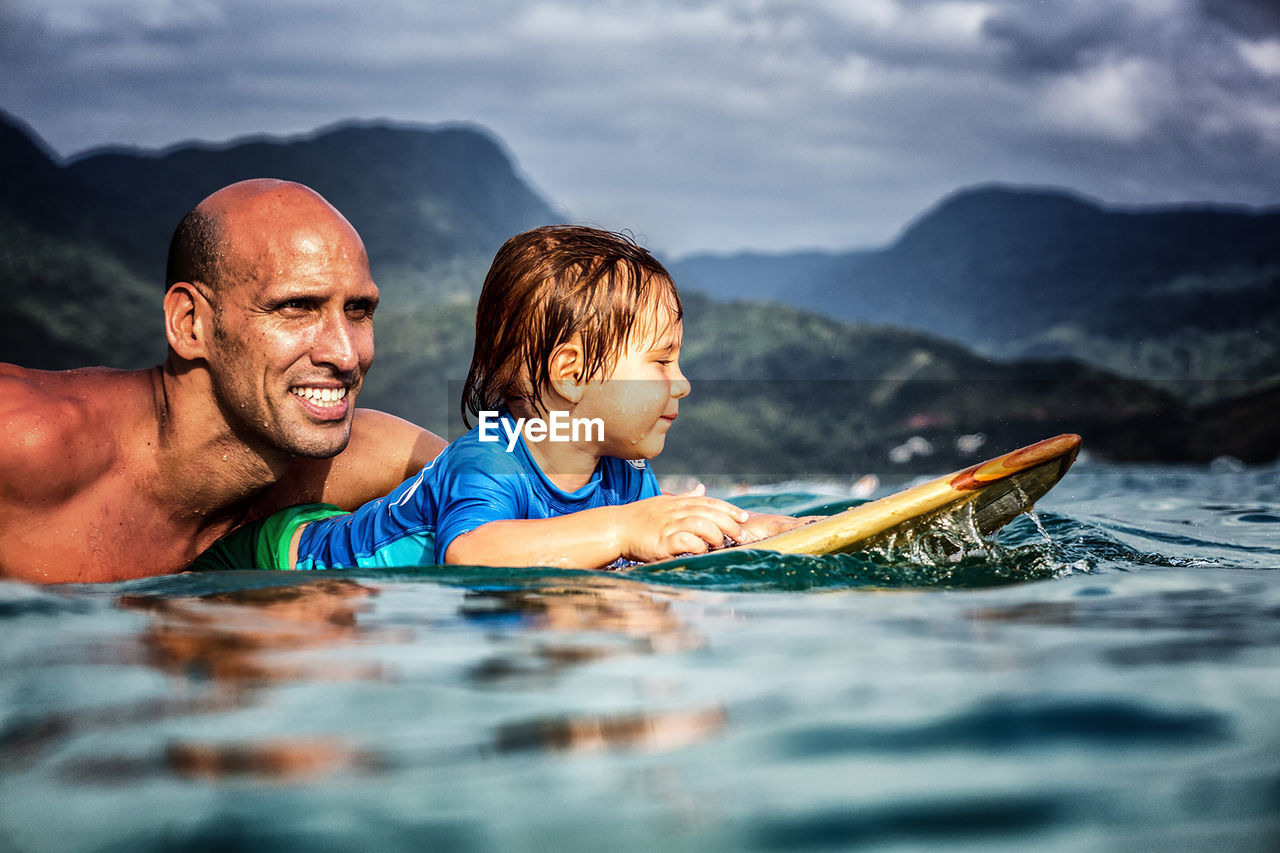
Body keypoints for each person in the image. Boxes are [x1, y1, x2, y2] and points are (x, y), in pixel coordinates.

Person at [215, 225, 807, 572]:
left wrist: (759, 529)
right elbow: (473, 553)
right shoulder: (491, 458)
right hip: (285, 556)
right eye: (660, 360)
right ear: (571, 373)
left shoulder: (622, 473)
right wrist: (627, 531)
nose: (681, 382)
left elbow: (649, 537)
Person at [0, 179, 446, 584]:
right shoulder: (23, 441)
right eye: (295, 307)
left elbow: (500, 470)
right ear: (191, 322)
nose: (346, 354)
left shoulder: (357, 461)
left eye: (358, 311)